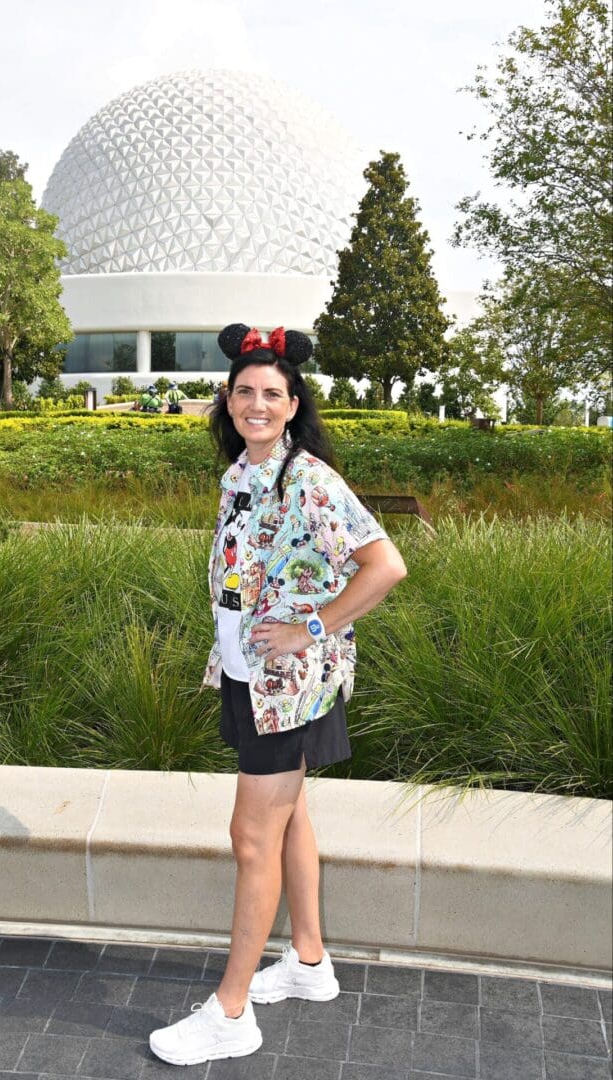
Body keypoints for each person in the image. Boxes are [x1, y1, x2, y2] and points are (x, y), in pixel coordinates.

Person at [149, 324, 407, 1066]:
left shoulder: (309, 481)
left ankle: (230, 1013)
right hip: (245, 675)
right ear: (226, 401)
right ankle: (309, 962)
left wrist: (314, 628)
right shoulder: (242, 476)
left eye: (271, 394)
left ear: (293, 405)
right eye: (243, 392)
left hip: (285, 687)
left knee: (252, 836)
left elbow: (385, 565)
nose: (255, 404)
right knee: (289, 821)